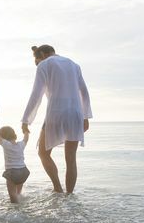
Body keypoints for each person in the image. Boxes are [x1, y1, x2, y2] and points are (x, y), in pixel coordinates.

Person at [21, 45, 92, 194]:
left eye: (36, 61)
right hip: (75, 113)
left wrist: (26, 119)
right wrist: (85, 117)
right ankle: (69, 196)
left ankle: (58, 189)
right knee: (71, 158)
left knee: (43, 153)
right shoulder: (74, 65)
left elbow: (36, 95)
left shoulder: (44, 65)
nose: (37, 64)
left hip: (56, 112)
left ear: (42, 55)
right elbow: (84, 92)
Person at [0, 123, 30, 203]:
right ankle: (20, 202)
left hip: (12, 172)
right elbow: (26, 139)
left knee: (12, 195)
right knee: (18, 193)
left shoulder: (6, 144)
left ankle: (16, 210)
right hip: (23, 171)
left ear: (3, 137)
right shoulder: (21, 145)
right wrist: (25, 130)